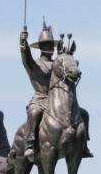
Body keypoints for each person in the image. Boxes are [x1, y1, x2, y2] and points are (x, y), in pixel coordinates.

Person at [20, 22, 93, 162]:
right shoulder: (34, 65)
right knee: (34, 113)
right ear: (40, 47)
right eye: (45, 45)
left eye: (50, 45)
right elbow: (25, 58)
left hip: (58, 101)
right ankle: (30, 144)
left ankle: (83, 145)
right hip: (41, 99)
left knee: (83, 114)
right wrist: (23, 43)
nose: (49, 47)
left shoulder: (58, 63)